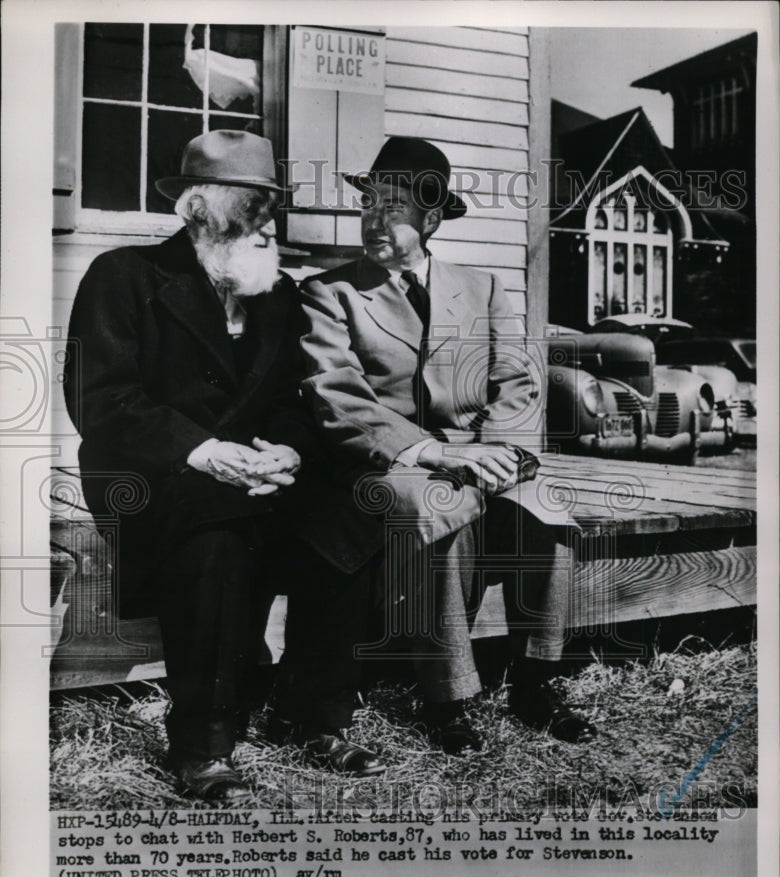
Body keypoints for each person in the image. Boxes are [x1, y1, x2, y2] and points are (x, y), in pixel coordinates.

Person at [64, 130, 385, 806]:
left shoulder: (277, 295)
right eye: (250, 203)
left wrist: (288, 452)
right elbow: (103, 402)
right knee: (216, 526)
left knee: (350, 510)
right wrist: (206, 452)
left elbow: (304, 402)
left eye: (270, 203)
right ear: (196, 210)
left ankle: (314, 714)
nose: (267, 219)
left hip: (255, 479)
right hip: (152, 476)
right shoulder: (124, 277)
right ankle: (202, 743)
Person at [295, 136, 597, 751]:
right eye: (369, 204)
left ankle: (537, 679)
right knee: (438, 505)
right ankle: (449, 697)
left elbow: (518, 379)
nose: (375, 220)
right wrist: (435, 454)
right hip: (384, 459)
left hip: (480, 452)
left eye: (394, 207)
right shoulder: (330, 292)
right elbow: (335, 396)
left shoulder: (481, 287)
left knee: (547, 504)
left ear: (431, 219)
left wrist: (502, 454)